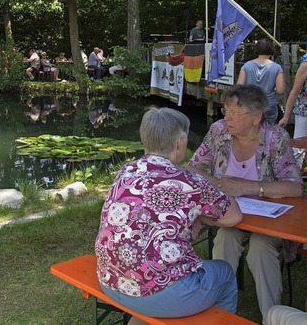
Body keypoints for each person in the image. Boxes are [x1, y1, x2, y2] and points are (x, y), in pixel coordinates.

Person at [95, 107, 242, 319]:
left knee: (148, 279)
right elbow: (234, 216)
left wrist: (193, 216)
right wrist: (200, 214)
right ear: (179, 143)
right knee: (225, 273)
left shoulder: (126, 170)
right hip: (163, 294)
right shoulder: (189, 183)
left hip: (110, 280)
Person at [187, 84, 303, 322]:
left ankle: (271, 315)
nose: (227, 118)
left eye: (235, 114)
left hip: (269, 218)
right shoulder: (219, 131)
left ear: (256, 117)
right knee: (225, 239)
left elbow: (295, 187)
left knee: (261, 248)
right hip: (230, 214)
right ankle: (219, 309)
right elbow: (192, 168)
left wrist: (249, 187)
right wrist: (218, 184)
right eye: (225, 111)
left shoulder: (275, 138)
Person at [237, 38, 284, 123]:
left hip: (251, 103)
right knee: (269, 131)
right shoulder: (277, 68)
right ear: (271, 50)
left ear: (257, 50)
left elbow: (239, 86)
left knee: (251, 129)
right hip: (269, 104)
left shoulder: (246, 66)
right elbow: (280, 90)